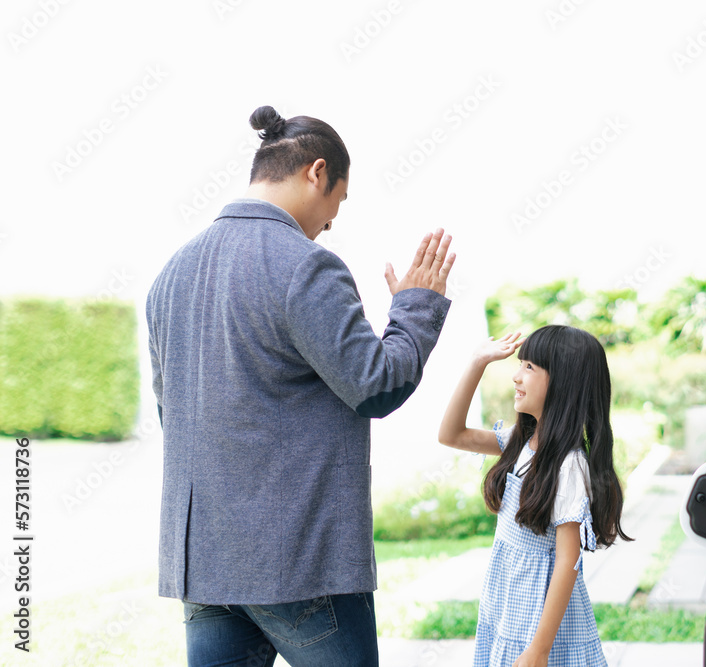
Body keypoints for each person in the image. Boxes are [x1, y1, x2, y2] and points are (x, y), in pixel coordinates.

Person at [146, 105, 455, 666]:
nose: (333, 219)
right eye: (339, 198)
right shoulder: (307, 265)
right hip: (298, 564)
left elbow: (174, 414)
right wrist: (416, 308)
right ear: (317, 172)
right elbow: (376, 385)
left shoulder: (171, 273)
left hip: (205, 565)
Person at [438, 325, 632, 666]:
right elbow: (451, 434)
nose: (516, 376)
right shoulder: (521, 442)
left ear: (563, 382)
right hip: (508, 600)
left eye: (529, 367)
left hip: (538, 615)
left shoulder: (568, 466)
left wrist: (539, 650)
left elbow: (567, 563)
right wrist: (476, 363)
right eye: (520, 364)